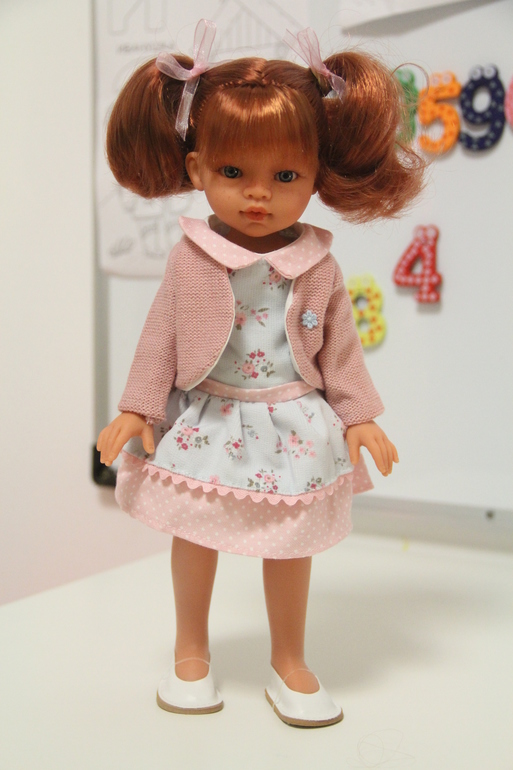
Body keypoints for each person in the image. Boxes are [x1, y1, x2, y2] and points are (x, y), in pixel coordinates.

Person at [97, 21, 423, 727]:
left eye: (284, 177)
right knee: (195, 532)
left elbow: (339, 350)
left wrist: (360, 416)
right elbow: (161, 337)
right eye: (232, 174)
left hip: (292, 425)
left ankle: (289, 659)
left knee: (292, 542)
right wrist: (138, 407)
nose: (257, 195)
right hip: (210, 417)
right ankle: (190, 651)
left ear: (315, 175)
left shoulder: (317, 264)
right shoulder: (192, 258)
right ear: (196, 171)